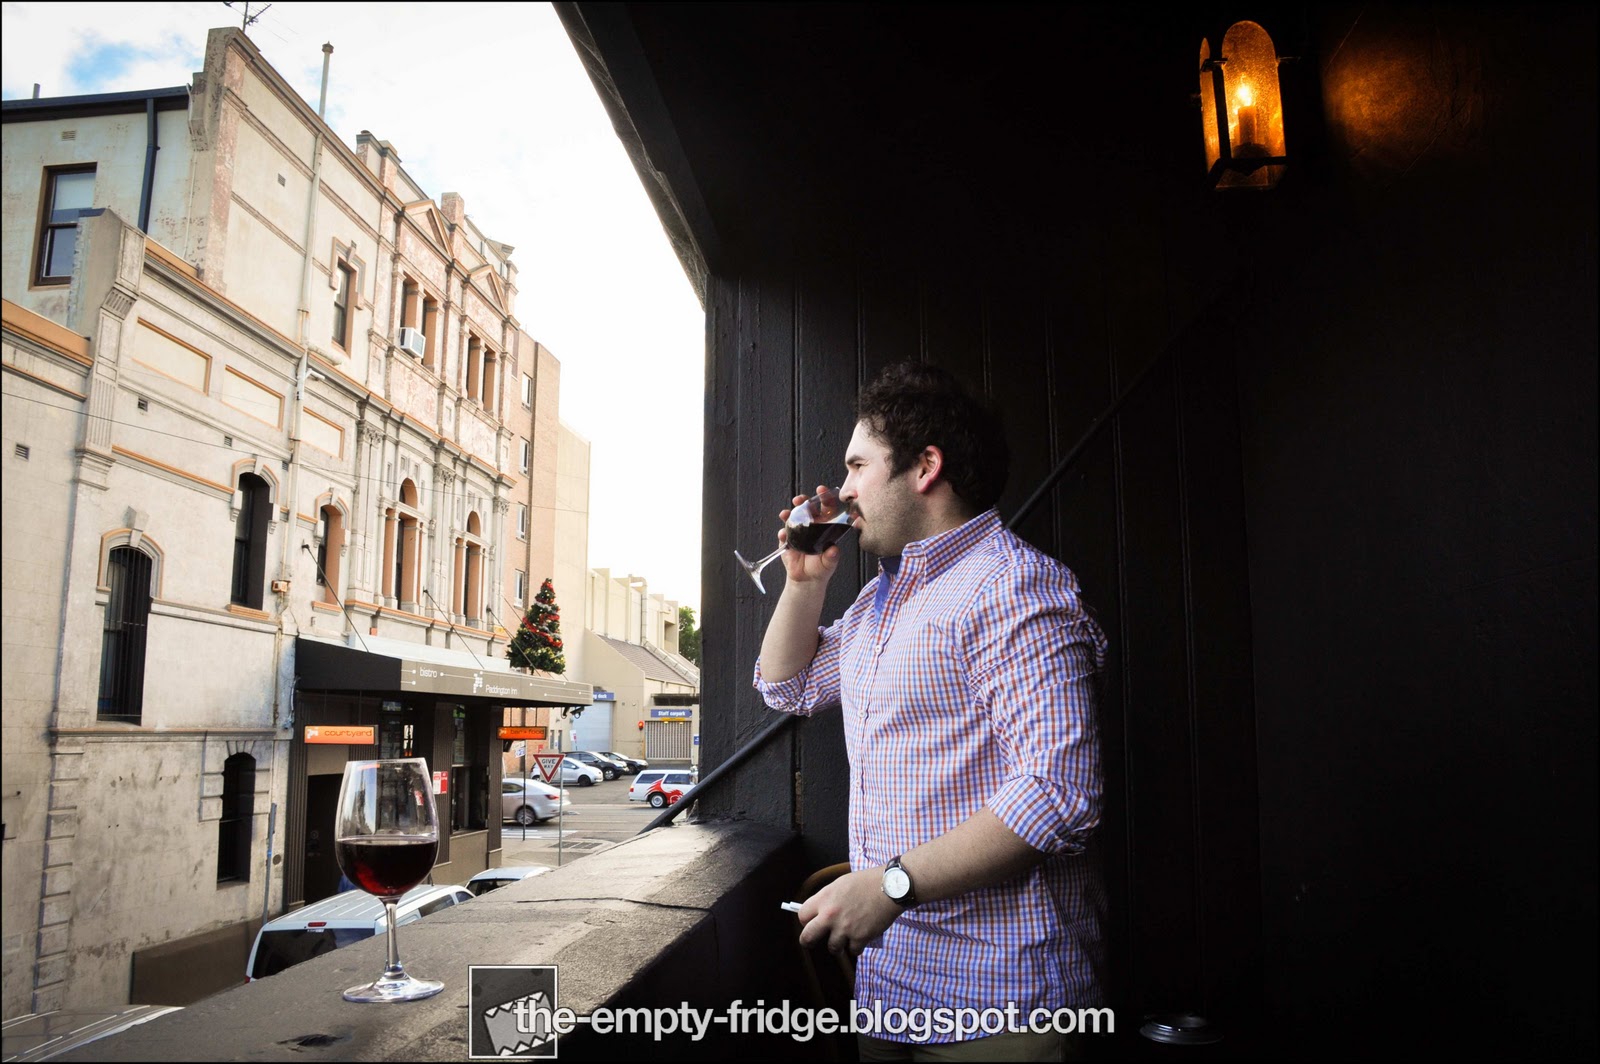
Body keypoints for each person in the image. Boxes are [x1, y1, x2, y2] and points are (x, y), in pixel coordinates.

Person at [754, 362, 1108, 1061]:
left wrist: (891, 885)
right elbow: (786, 687)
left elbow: (1062, 794)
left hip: (1001, 1001)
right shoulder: (879, 604)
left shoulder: (1013, 587)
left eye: (857, 466)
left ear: (925, 467)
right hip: (893, 990)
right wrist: (803, 582)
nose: (844, 489)